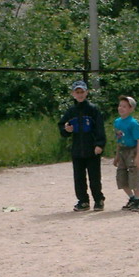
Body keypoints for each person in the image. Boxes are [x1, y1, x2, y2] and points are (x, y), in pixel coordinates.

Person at [58, 80, 106, 212]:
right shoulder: (71, 111)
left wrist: (100, 144)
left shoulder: (93, 109)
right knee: (79, 178)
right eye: (77, 92)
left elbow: (100, 128)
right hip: (77, 149)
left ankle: (98, 200)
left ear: (86, 93)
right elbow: (62, 126)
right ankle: (83, 201)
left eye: (82, 92)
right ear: (73, 94)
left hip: (92, 149)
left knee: (94, 177)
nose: (80, 95)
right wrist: (66, 130)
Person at [114, 96, 139, 212]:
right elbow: (118, 139)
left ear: (131, 109)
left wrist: (138, 157)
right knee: (121, 176)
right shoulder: (117, 122)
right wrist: (116, 156)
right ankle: (131, 198)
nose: (121, 108)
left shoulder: (133, 123)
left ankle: (137, 199)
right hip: (122, 150)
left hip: (132, 150)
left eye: (125, 106)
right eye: (120, 105)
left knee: (134, 174)